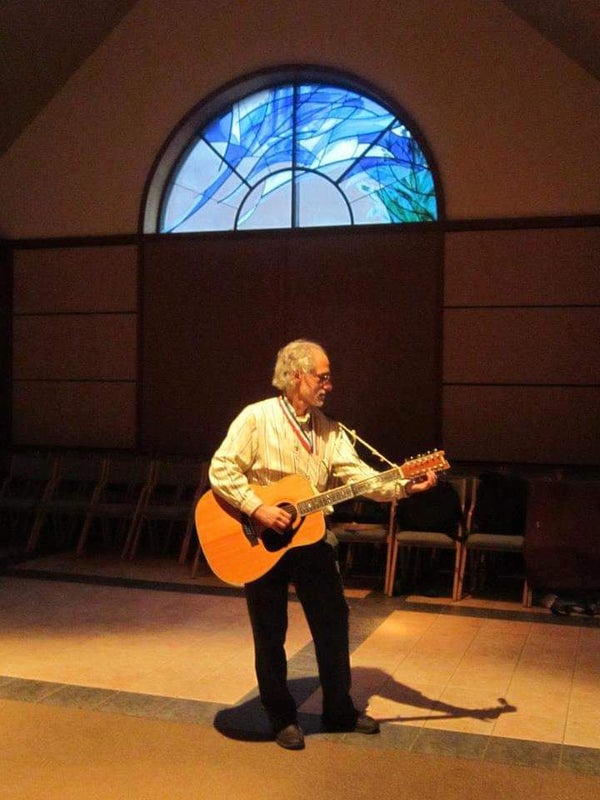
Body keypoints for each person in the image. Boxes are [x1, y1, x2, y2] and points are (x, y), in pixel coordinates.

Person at [209, 339, 438, 750]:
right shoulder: (256, 418)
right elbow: (221, 468)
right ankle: (281, 715)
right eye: (323, 377)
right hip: (261, 543)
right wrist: (258, 509)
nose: (329, 386)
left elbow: (360, 478)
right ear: (297, 375)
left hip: (313, 539)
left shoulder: (329, 430)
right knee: (270, 631)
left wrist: (404, 484)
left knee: (333, 624)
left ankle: (338, 709)